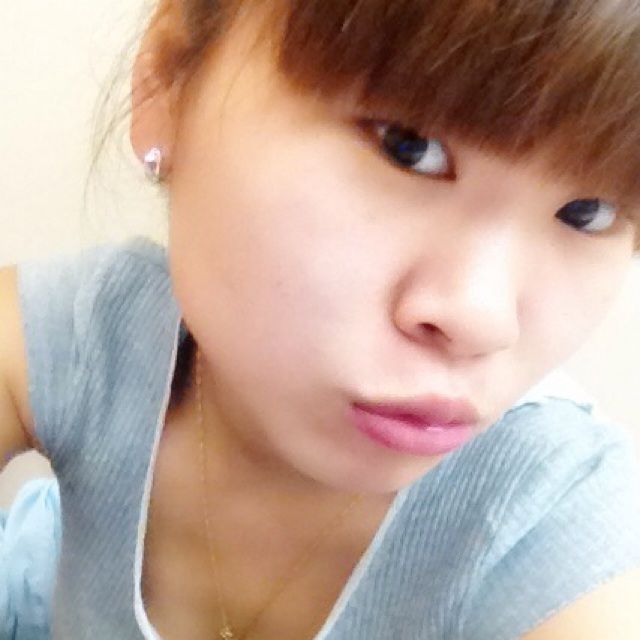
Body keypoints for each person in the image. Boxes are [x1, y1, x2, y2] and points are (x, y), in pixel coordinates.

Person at [1, 0, 640, 638]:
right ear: (167, 84)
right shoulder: (99, 334)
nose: (482, 320)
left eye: (589, 212)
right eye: (408, 148)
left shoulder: (555, 512)